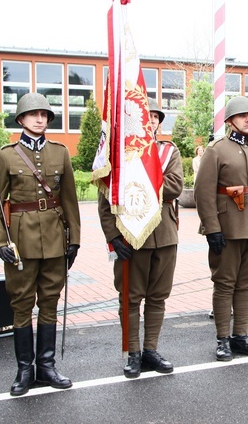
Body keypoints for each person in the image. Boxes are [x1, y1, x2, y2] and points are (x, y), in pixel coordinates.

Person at [0, 93, 80, 396]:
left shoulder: (60, 153)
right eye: (33, 114)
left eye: (44, 114)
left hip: (55, 238)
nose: (39, 119)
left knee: (50, 302)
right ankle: (24, 369)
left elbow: (69, 199)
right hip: (21, 240)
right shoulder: (6, 155)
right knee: (21, 303)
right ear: (21, 119)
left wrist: (75, 239)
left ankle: (46, 366)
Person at [98, 99, 182, 378]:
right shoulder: (120, 155)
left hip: (164, 235)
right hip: (131, 236)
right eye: (148, 117)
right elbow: (105, 198)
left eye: (156, 117)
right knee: (131, 298)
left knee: (158, 296)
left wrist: (139, 182)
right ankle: (132, 352)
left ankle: (150, 350)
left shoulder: (169, 151)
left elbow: (175, 186)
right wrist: (113, 235)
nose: (153, 121)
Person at [194, 96, 248, 361]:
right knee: (224, 284)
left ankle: (240, 335)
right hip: (228, 227)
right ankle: (222, 339)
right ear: (230, 120)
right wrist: (212, 228)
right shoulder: (216, 150)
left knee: (247, 283)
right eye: (243, 116)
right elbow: (202, 192)